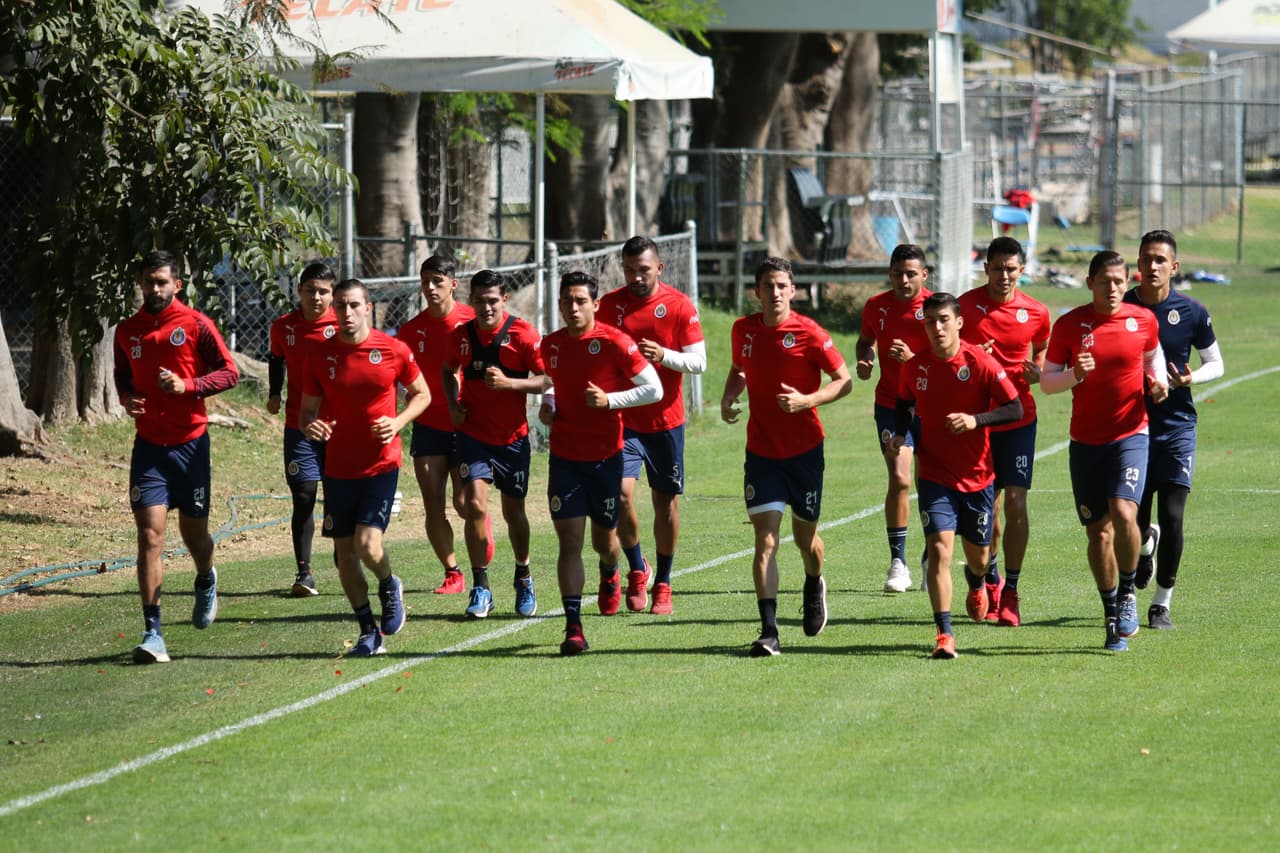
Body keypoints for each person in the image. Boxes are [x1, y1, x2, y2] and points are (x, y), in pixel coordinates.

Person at [113, 250, 240, 664]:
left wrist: (189, 386)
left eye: (162, 282)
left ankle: (206, 576)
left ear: (177, 285)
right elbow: (122, 376)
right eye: (148, 281)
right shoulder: (126, 331)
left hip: (191, 445)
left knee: (195, 537)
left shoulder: (195, 324)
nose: (154, 289)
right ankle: (153, 633)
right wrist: (127, 398)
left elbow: (229, 372)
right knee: (150, 535)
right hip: (149, 447)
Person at [721, 257, 852, 657]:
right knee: (766, 540)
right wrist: (729, 396)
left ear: (792, 290)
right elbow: (739, 369)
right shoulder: (743, 330)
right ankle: (769, 631)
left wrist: (808, 400)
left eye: (781, 285)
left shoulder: (811, 333)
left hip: (805, 452)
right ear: (756, 291)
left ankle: (814, 583)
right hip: (761, 452)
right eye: (767, 286)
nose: (774, 293)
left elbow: (844, 381)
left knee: (805, 539)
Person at [1042, 251, 1168, 652]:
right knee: (1098, 534)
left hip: (1131, 434)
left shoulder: (1142, 320)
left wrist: (1158, 382)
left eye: (1118, 281)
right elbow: (1047, 383)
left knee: (1124, 510)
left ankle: (1129, 592)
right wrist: (1075, 374)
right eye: (1104, 282)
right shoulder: (1069, 325)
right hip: (1085, 442)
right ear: (1090, 283)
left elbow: (1152, 357)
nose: (1112, 288)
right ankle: (1111, 614)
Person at [299, 278, 429, 656]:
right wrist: (312, 426)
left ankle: (389, 584)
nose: (346, 312)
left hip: (381, 463)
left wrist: (399, 422)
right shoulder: (320, 355)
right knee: (345, 556)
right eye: (340, 306)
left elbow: (423, 394)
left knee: (368, 544)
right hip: (338, 467)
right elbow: (306, 414)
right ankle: (368, 630)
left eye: (354, 305)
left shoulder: (392, 350)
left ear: (368, 308)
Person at [892, 292, 1022, 659]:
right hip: (934, 476)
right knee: (938, 551)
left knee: (979, 556)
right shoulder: (915, 367)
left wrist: (974, 420)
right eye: (930, 321)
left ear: (959, 322)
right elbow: (904, 402)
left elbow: (1014, 407)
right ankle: (944, 634)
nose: (936, 327)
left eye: (944, 320)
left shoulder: (980, 362)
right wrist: (902, 433)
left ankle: (979, 581)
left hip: (978, 478)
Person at [539, 271, 663, 656]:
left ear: (595, 304)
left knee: (603, 543)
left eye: (581, 301)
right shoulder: (551, 345)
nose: (573, 308)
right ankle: (573, 627)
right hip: (565, 458)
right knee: (569, 543)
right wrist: (548, 404)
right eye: (567, 302)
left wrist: (611, 401)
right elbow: (550, 382)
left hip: (606, 458)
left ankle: (612, 571)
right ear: (559, 305)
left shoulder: (614, 342)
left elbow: (653, 387)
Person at [598, 236, 706, 615]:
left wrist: (664, 356)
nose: (636, 277)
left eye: (643, 270)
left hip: (665, 422)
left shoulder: (678, 305)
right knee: (623, 495)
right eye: (629, 270)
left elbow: (699, 363)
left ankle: (664, 581)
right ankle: (636, 569)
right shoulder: (609, 306)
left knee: (665, 503)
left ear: (659, 268)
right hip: (623, 420)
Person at [1123, 229, 1224, 630]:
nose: (1152, 266)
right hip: (1131, 426)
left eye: (1160, 260)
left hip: (1177, 426)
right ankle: (1146, 547)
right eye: (1146, 259)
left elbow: (1217, 363)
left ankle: (1160, 603)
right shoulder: (1123, 306)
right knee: (1131, 518)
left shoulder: (1193, 312)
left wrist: (1190, 379)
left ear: (1174, 267)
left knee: (1174, 514)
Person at [441, 270, 546, 619]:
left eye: (492, 301)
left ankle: (523, 576)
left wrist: (510, 385)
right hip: (473, 436)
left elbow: (549, 378)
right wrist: (454, 403)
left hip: (513, 440)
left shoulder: (523, 334)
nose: (486, 307)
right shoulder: (461, 336)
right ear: (470, 302)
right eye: (479, 301)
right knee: (474, 504)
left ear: (504, 300)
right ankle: (481, 586)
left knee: (513, 512)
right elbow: (446, 369)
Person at [957, 237, 1050, 627]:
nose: (1005, 276)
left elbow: (1043, 351)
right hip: (979, 423)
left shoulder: (1037, 312)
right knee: (987, 512)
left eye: (1012, 269)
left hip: (1019, 420)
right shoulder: (965, 307)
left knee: (1016, 503)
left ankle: (1010, 590)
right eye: (998, 268)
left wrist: (1037, 370)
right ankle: (985, 577)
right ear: (986, 269)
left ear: (1022, 270)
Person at [397, 254, 484, 597]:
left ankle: (480, 531)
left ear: (453, 284)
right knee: (433, 503)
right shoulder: (409, 331)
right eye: (425, 282)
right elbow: (399, 375)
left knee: (465, 504)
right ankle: (453, 572)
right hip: (429, 427)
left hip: (466, 427)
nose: (430, 288)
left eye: (437, 281)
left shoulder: (472, 322)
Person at [855, 244, 933, 593]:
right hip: (892, 405)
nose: (904, 280)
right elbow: (864, 340)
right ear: (890, 274)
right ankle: (898, 562)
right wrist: (866, 358)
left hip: (934, 404)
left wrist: (914, 357)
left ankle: (933, 550)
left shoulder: (937, 309)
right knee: (900, 478)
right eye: (898, 273)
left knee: (930, 482)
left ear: (924, 275)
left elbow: (952, 356)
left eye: (911, 274)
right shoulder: (877, 306)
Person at [267, 262, 337, 596]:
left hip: (338, 425)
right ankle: (304, 573)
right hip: (300, 424)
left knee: (338, 495)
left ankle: (343, 548)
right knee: (305, 493)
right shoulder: (284, 327)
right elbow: (276, 358)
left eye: (324, 291)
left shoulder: (343, 325)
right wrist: (273, 394)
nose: (317, 297)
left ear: (333, 294)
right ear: (299, 292)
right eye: (311, 290)